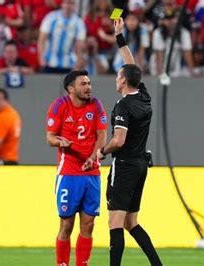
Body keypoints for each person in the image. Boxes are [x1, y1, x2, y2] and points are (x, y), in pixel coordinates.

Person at [96, 18, 162, 266]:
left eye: (118, 76)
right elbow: (131, 64)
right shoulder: (143, 96)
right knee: (130, 221)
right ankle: (157, 264)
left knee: (115, 222)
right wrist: (119, 37)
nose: (116, 78)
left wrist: (102, 151)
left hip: (123, 166)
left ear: (123, 80)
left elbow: (119, 139)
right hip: (140, 165)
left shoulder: (124, 105)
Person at [45, 69, 107, 266]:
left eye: (89, 83)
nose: (88, 87)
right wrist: (60, 142)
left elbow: (102, 136)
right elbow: (49, 138)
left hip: (91, 172)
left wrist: (93, 156)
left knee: (88, 224)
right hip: (69, 173)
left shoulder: (96, 105)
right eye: (83, 84)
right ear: (70, 89)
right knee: (66, 224)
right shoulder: (59, 106)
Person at [38, 0, 86, 74]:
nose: (68, 6)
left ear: (75, 6)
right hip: (49, 62)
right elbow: (42, 40)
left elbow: (80, 47)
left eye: (71, 3)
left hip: (69, 65)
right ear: (62, 4)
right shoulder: (51, 17)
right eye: (67, 2)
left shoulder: (79, 23)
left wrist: (77, 67)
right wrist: (42, 60)